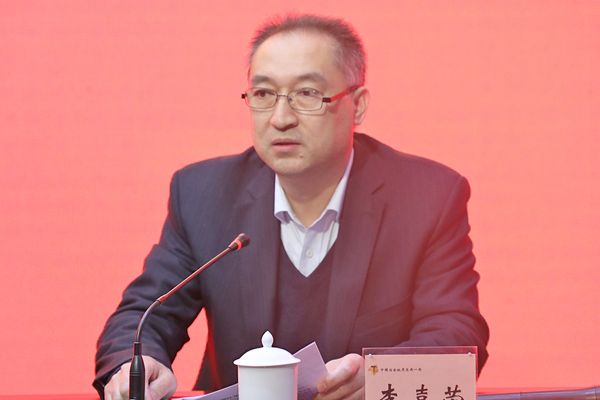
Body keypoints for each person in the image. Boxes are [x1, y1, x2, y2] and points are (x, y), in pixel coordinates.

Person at [94, 14, 489, 400]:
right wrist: (137, 366)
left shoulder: (427, 197)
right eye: (264, 95)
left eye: (307, 94)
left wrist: (379, 377)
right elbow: (145, 314)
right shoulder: (203, 194)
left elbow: (455, 334)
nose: (280, 119)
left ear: (358, 105)